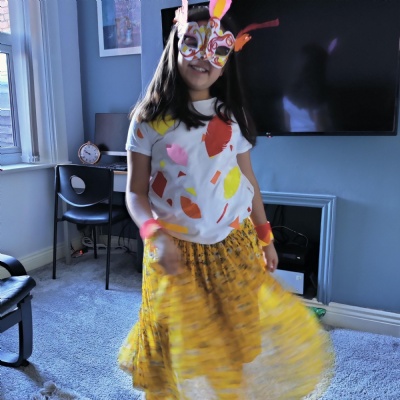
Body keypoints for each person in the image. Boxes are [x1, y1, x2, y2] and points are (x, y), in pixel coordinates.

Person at [119, 1, 333, 399]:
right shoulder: (147, 120)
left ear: (228, 57)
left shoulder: (231, 115)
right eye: (192, 44)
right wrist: (154, 235)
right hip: (174, 251)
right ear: (175, 46)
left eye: (216, 49)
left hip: (232, 246)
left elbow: (247, 181)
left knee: (233, 334)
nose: (203, 58)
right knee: (175, 342)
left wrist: (266, 236)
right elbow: (135, 191)